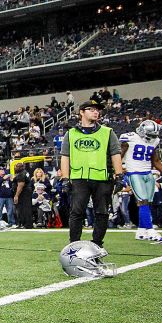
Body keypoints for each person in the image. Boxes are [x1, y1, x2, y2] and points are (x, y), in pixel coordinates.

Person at [59, 100, 125, 250]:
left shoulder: (108, 132)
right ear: (81, 112)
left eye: (97, 110)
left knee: (102, 213)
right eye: (91, 109)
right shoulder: (71, 134)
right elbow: (65, 157)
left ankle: (97, 245)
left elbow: (116, 154)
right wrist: (65, 178)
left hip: (102, 179)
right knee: (76, 212)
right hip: (78, 179)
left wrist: (119, 175)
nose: (96, 112)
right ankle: (73, 246)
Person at [120, 119, 162, 242]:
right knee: (142, 202)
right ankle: (151, 230)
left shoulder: (155, 141)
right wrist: (116, 172)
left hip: (148, 173)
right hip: (134, 173)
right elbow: (119, 156)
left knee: (147, 203)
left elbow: (156, 161)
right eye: (150, 134)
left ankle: (141, 231)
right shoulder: (129, 138)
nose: (152, 137)